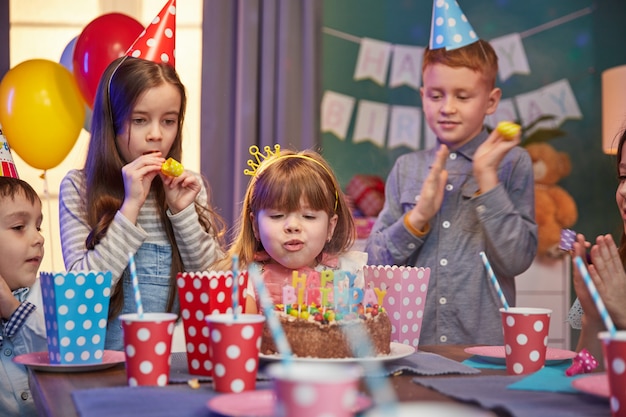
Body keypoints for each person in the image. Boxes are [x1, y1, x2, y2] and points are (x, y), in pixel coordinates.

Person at [365, 40, 538, 345]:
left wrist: (487, 179)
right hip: (412, 348)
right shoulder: (407, 168)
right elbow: (374, 264)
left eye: (462, 96)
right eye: (435, 95)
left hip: (487, 350)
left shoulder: (512, 163)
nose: (447, 108)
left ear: (491, 101)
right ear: (422, 97)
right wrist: (418, 216)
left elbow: (517, 260)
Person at [59, 56, 226, 350]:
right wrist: (130, 207)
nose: (156, 134)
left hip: (173, 363)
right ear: (112, 122)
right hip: (105, 366)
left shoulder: (189, 190)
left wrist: (183, 213)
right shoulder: (79, 188)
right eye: (139, 120)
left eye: (169, 121)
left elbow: (216, 290)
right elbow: (83, 295)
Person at [215, 145, 366, 313]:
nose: (293, 226)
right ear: (255, 225)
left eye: (308, 216)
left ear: (331, 227)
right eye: (277, 216)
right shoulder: (244, 279)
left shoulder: (348, 274)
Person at [568, 128, 626, 366]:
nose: (623, 191)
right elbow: (585, 374)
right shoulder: (616, 266)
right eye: (623, 178)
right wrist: (593, 318)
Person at [0, 177, 47, 417]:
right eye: (19, 227)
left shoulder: (47, 297)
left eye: (38, 227)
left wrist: (13, 309)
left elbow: (53, 358)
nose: (39, 238)